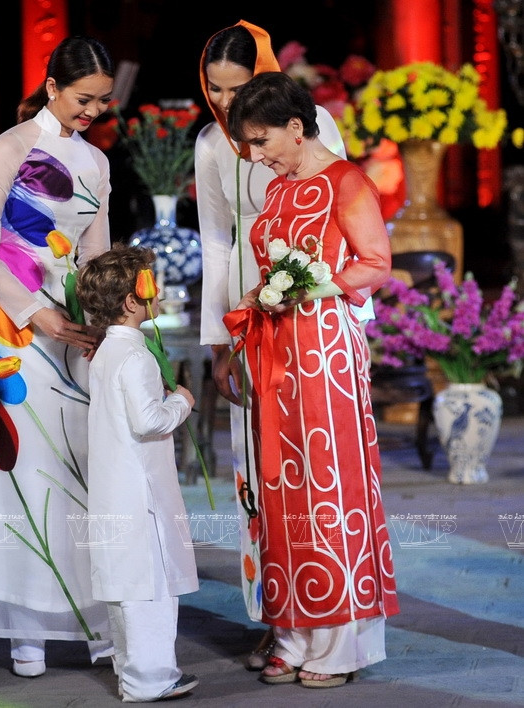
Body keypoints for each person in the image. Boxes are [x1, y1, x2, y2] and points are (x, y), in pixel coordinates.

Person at [224, 71, 398, 688]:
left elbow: (376, 262)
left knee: (331, 487)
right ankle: (294, 633)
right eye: (248, 142)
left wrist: (313, 285)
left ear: (297, 128)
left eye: (262, 138)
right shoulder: (277, 189)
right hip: (277, 348)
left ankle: (339, 646)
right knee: (281, 487)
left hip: (325, 351)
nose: (254, 153)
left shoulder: (346, 182)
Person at [194, 20, 351, 670]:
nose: (227, 104)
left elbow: (342, 217)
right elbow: (216, 241)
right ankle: (275, 615)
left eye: (239, 89)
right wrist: (216, 340)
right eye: (215, 90)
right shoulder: (209, 145)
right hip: (244, 314)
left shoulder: (311, 132)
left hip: (308, 307)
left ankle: (326, 616)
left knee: (311, 468)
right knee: (257, 471)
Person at [0, 35, 114, 677]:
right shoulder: (12, 145)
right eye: (84, 99)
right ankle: (26, 628)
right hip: (11, 323)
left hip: (71, 322)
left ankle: (93, 616)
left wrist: (109, 318)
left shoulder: (97, 162)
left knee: (81, 464)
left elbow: (96, 256)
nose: (93, 112)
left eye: (104, 103)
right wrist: (34, 311)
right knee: (21, 471)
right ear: (52, 87)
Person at [75, 243, 200, 703]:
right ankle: (151, 677)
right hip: (139, 490)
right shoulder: (136, 356)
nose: (159, 290)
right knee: (150, 583)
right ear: (133, 300)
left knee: (126, 583)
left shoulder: (108, 351)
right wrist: (181, 401)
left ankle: (133, 673)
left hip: (115, 485)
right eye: (152, 283)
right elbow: (149, 421)